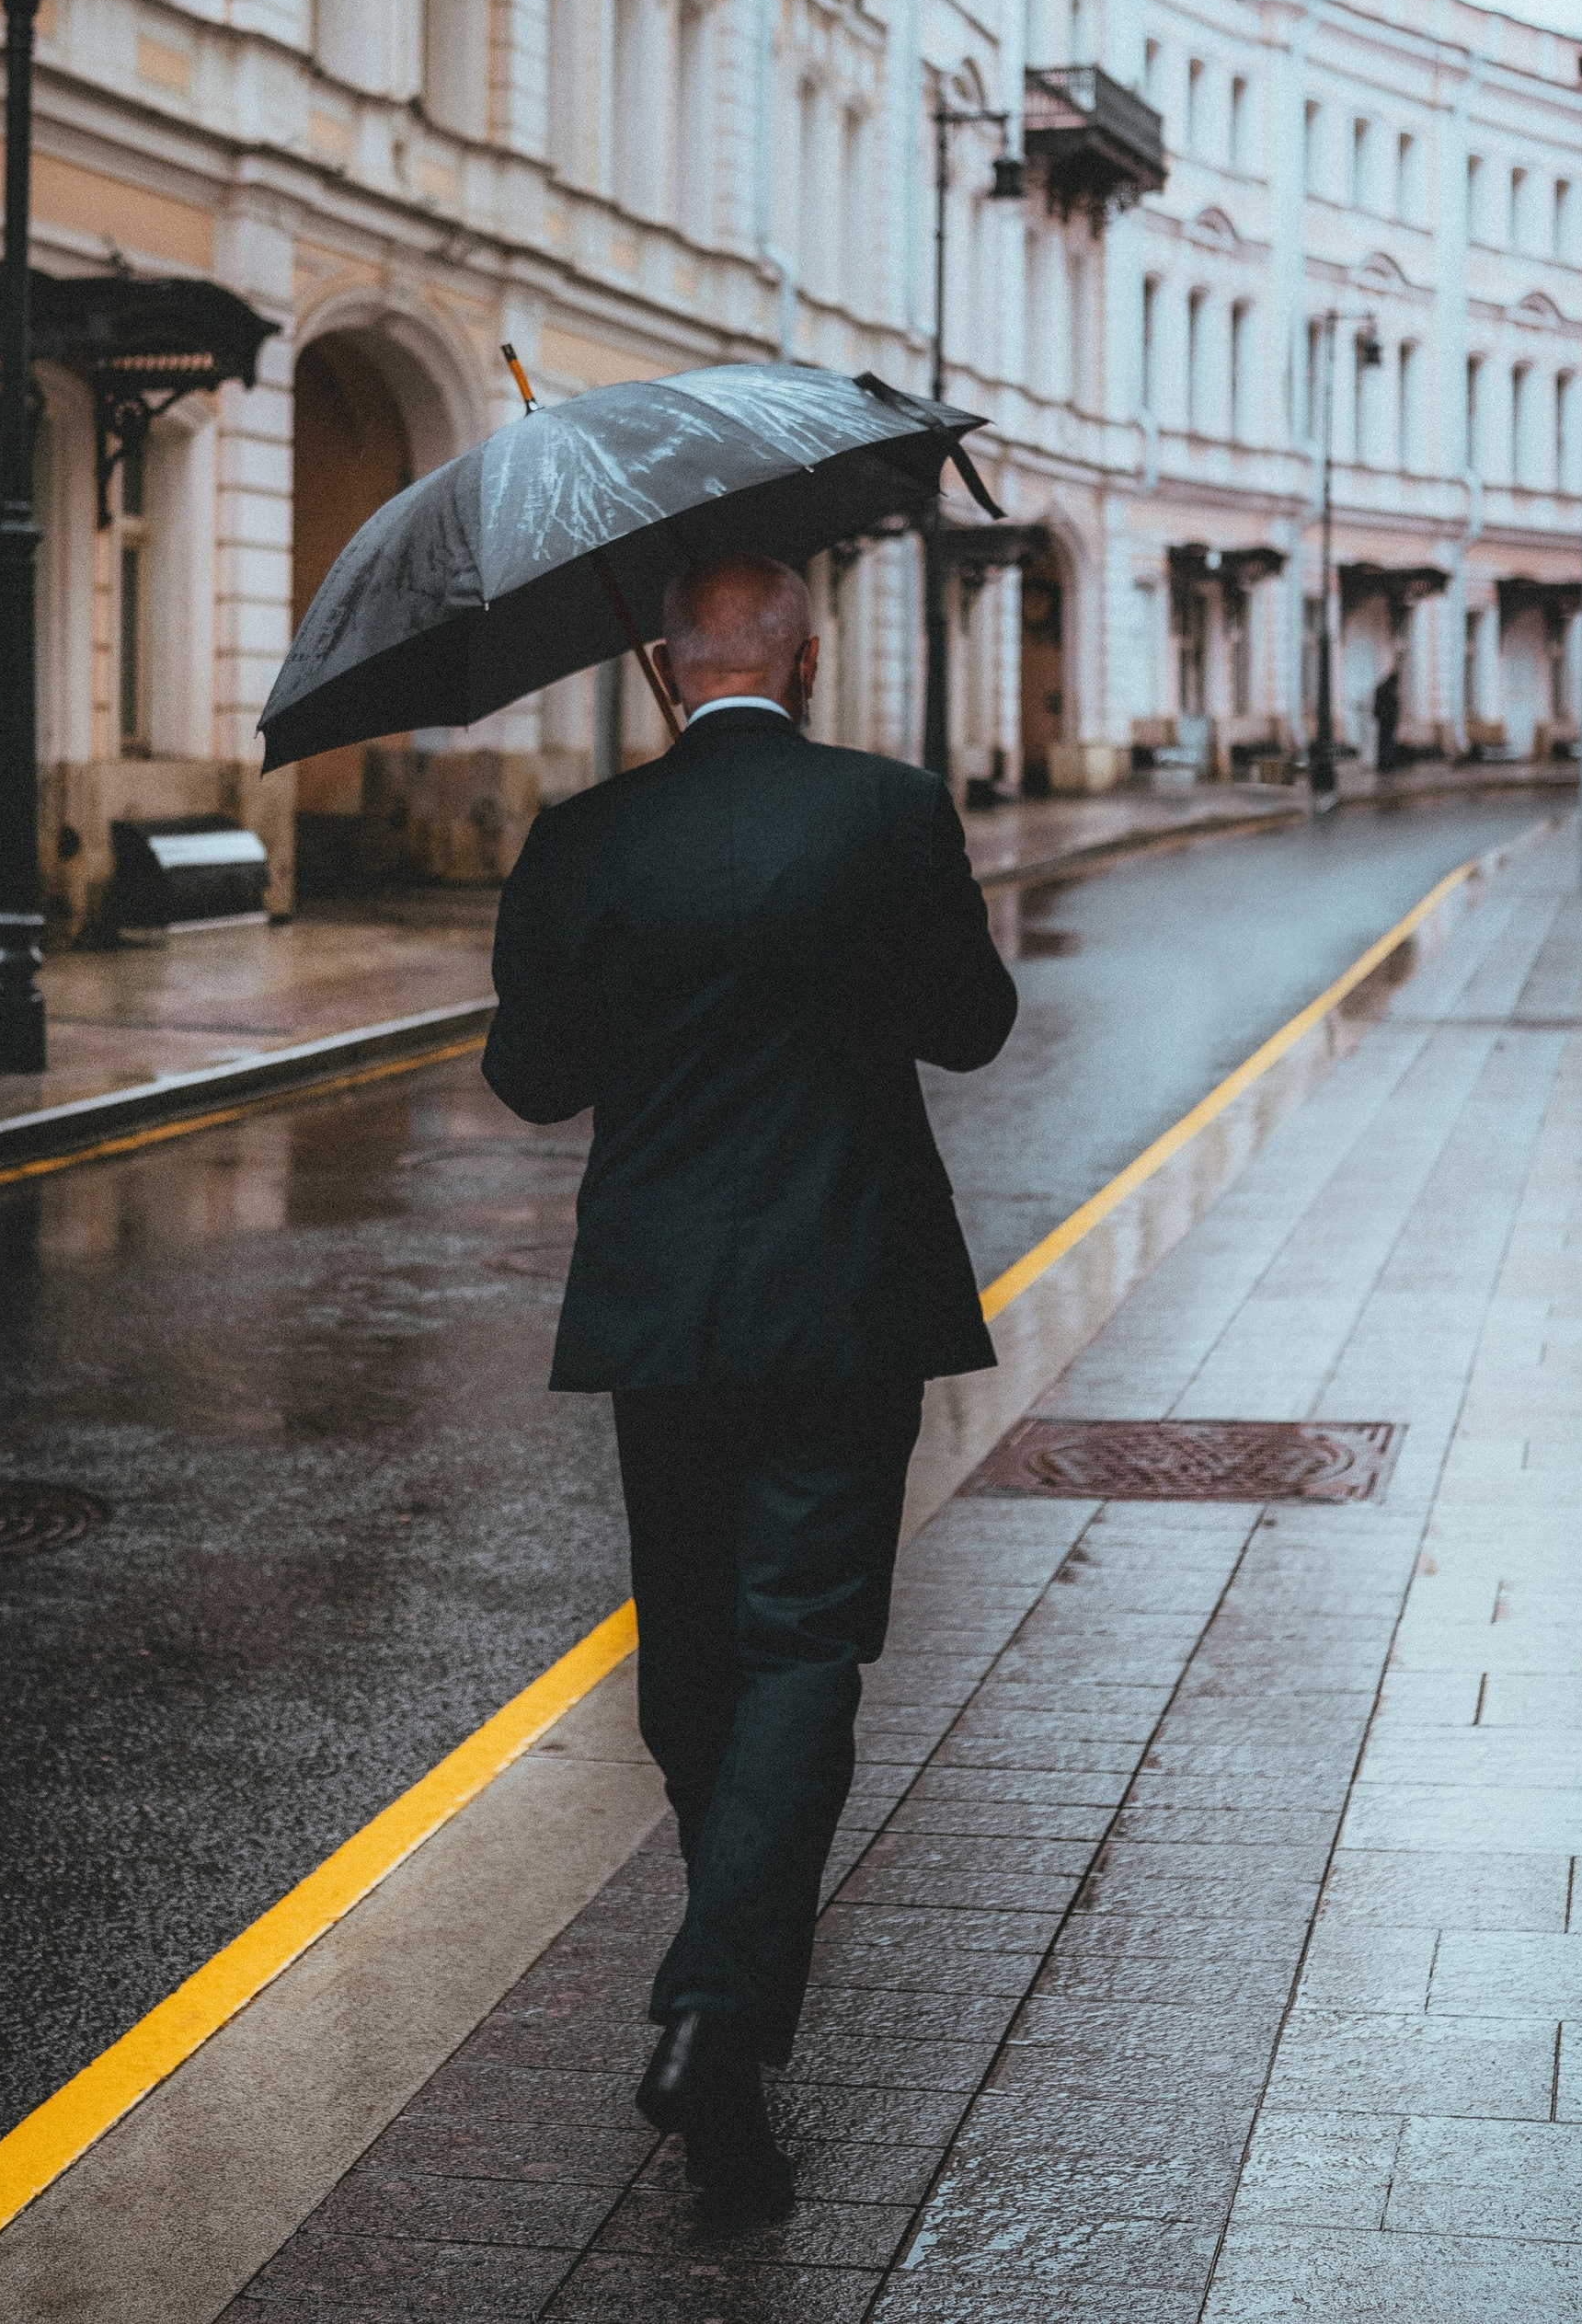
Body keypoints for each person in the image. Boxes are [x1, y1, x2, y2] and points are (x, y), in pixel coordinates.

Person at [483, 551, 1018, 2222]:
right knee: (803, 1642)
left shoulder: (583, 839)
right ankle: (719, 2008)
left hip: (664, 1309)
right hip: (846, 1289)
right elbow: (972, 1026)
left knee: (692, 1664)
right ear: (802, 658)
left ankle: (726, 2007)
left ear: (664, 663)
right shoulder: (887, 810)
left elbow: (530, 1075)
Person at [1373, 663, 1402, 775]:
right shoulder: (1388, 690)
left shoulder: (1382, 689)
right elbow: (1390, 706)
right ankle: (1386, 764)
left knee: (1384, 742)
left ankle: (1384, 763)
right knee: (1387, 742)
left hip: (1384, 720)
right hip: (1387, 720)